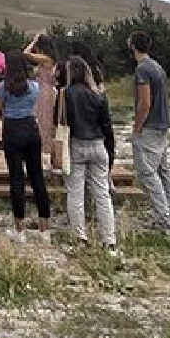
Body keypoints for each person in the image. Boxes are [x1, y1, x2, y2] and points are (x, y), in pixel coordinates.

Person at [129, 30, 170, 233]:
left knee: (147, 175)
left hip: (150, 128)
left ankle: (165, 220)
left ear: (133, 46)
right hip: (162, 125)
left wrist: (137, 128)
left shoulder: (142, 69)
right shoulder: (157, 66)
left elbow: (145, 102)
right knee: (163, 172)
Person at [63, 55, 117, 252]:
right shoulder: (97, 95)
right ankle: (109, 239)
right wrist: (111, 153)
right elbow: (107, 126)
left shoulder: (66, 94)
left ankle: (80, 236)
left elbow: (61, 121)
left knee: (75, 193)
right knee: (102, 194)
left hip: (77, 143)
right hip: (98, 143)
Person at [0, 51, 51, 239]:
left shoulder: (4, 86)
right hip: (30, 127)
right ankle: (44, 227)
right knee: (37, 177)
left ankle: (19, 228)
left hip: (12, 128)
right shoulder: (33, 86)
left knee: (16, 178)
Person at [22, 33, 58, 154]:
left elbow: (26, 53)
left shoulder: (46, 58)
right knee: (41, 118)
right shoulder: (46, 59)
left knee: (45, 120)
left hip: (45, 91)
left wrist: (33, 41)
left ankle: (46, 147)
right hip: (42, 90)